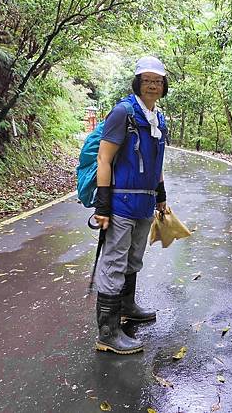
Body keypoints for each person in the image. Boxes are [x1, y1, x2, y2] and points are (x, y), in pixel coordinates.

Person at [92, 56, 168, 354]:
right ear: (138, 82)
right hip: (121, 203)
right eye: (147, 80)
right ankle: (107, 333)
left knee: (134, 257)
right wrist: (103, 206)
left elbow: (156, 163)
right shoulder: (123, 113)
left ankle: (126, 306)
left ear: (164, 86)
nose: (153, 85)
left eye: (158, 80)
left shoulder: (158, 119)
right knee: (114, 262)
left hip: (144, 204)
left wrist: (160, 196)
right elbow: (104, 158)